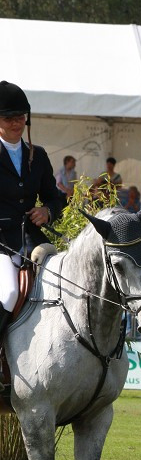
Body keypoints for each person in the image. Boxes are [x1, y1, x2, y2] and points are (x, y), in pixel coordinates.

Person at [0, 81, 65, 372]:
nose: (16, 123)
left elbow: (56, 197)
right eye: (8, 118)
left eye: (20, 117)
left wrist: (47, 211)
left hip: (34, 242)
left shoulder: (37, 156)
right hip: (1, 243)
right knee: (9, 294)